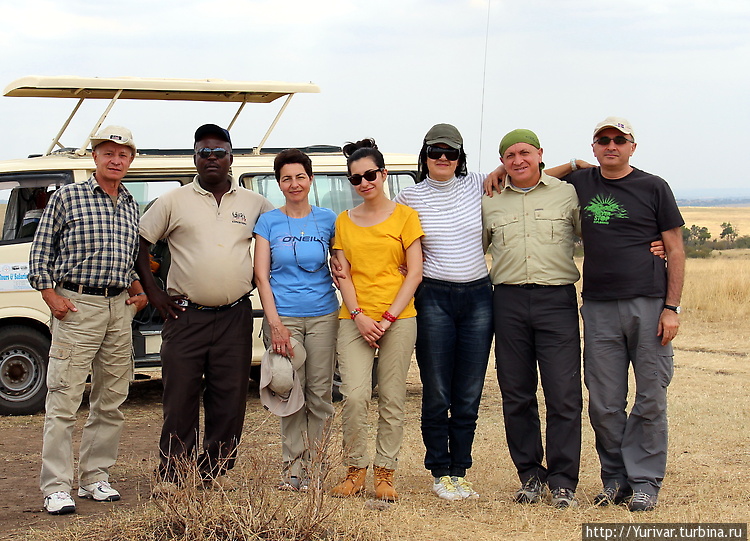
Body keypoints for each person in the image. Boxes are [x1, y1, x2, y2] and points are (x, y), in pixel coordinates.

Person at [136, 124, 274, 491]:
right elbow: (141, 244)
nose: (211, 158)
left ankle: (212, 473)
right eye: (203, 153)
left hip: (235, 315)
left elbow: (280, 237)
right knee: (179, 397)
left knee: (229, 400)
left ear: (231, 157)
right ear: (194, 158)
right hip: (185, 316)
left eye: (219, 152)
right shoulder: (173, 201)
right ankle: (175, 475)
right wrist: (155, 294)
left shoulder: (254, 203)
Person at [561, 117, 685, 512]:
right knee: (604, 401)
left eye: (619, 140)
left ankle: (645, 481)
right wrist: (576, 164)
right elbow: (533, 177)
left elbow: (676, 250)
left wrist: (671, 308)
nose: (611, 145)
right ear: (594, 147)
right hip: (597, 306)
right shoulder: (581, 183)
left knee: (650, 396)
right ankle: (615, 479)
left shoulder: (654, 187)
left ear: (633, 146)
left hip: (648, 304)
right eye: (603, 140)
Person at [28, 126, 147, 515]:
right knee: (64, 399)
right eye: (108, 152)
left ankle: (95, 477)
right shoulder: (68, 197)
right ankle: (56, 486)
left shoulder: (131, 204)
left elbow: (128, 258)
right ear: (94, 156)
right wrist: (51, 296)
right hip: (77, 306)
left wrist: (135, 290)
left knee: (111, 400)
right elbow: (40, 252)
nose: (116, 160)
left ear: (131, 159)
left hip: (117, 310)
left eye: (123, 154)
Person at [393, 124, 495, 501]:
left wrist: (573, 164)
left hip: (479, 297)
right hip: (433, 296)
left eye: (450, 153)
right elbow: (391, 242)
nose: (442, 158)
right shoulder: (408, 197)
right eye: (435, 151)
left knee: (469, 391)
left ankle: (460, 471)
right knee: (437, 390)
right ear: (424, 155)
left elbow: (528, 173)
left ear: (460, 158)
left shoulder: (480, 184)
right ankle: (439, 470)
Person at [482, 129, 582, 508]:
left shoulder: (567, 193)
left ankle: (562, 481)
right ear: (502, 162)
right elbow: (476, 248)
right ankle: (530, 475)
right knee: (516, 393)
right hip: (507, 302)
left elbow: (599, 234)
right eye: (509, 155)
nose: (518, 160)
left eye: (525, 152)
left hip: (556, 300)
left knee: (564, 394)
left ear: (540, 153)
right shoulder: (490, 200)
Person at [329, 139, 423, 502]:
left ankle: (385, 472)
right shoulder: (344, 221)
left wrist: (385, 318)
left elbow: (414, 273)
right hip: (355, 318)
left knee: (392, 397)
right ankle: (355, 470)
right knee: (354, 397)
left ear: (383, 174)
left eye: (370, 174)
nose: (364, 182)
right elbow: (343, 275)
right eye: (356, 178)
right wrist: (359, 316)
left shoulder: (404, 217)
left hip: (398, 318)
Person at [253, 148, 339, 490]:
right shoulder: (269, 222)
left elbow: (344, 264)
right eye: (286, 178)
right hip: (283, 318)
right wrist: (275, 324)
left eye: (300, 177)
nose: (294, 184)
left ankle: (317, 468)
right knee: (288, 390)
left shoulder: (329, 219)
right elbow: (261, 275)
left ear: (311, 179)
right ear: (278, 183)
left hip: (323, 316)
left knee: (319, 395)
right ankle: (293, 470)